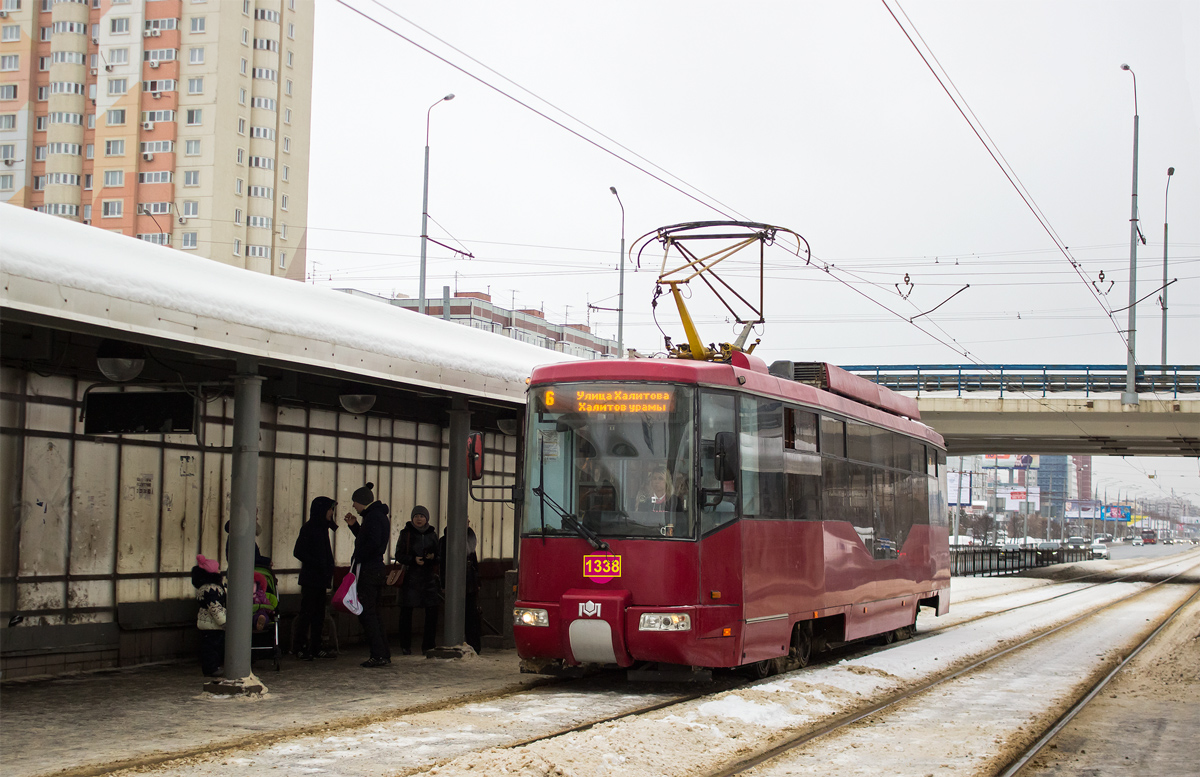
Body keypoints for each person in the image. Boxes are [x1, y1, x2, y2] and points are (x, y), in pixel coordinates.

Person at [345, 482, 392, 668]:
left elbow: (371, 543)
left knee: (368, 614)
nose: (353, 506)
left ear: (361, 501)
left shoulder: (373, 518)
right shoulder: (376, 516)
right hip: (376, 569)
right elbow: (370, 540)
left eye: (354, 502)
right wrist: (355, 527)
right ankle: (383, 652)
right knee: (375, 613)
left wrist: (358, 556)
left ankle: (378, 653)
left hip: (369, 571)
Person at [292, 495, 337, 660]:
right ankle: (300, 647)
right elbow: (298, 551)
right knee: (307, 613)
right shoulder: (309, 528)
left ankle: (316, 647)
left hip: (320, 580)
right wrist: (318, 563)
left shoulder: (323, 528)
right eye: (330, 509)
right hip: (311, 579)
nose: (332, 512)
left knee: (319, 615)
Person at [395, 505, 440, 655]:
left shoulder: (433, 535)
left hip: (428, 578)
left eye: (422, 516)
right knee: (406, 613)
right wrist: (413, 560)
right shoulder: (406, 533)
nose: (419, 519)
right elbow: (399, 555)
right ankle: (405, 645)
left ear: (427, 518)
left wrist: (432, 558)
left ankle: (428, 645)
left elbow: (439, 555)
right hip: (410, 577)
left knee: (432, 612)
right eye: (416, 516)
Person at [440, 522, 482, 654]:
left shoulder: (470, 538)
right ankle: (458, 641)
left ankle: (474, 645)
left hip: (469, 580)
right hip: (455, 579)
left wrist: (478, 581)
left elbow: (474, 562)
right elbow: (443, 563)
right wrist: (444, 583)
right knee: (458, 612)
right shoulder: (446, 540)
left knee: (471, 614)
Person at [191, 554, 226, 677]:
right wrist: (224, 622)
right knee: (213, 648)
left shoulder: (203, 587)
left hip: (205, 623)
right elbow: (215, 607)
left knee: (208, 647)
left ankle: (211, 667)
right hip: (213, 624)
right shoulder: (212, 589)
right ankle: (212, 668)